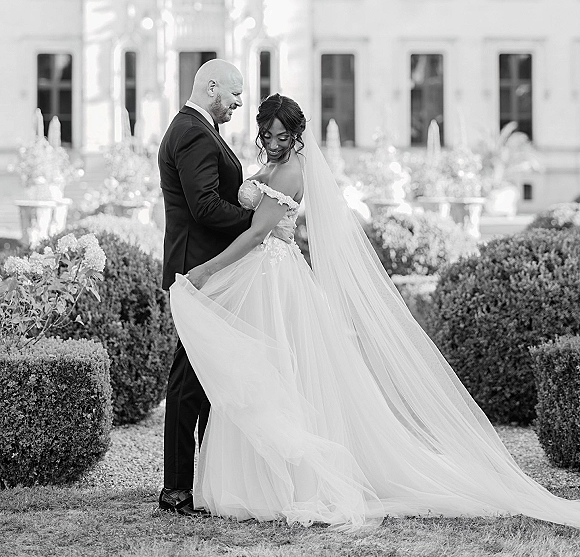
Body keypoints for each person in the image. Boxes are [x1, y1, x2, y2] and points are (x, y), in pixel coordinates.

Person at [169, 94, 580, 532]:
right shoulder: (274, 164)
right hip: (262, 276)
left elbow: (255, 236)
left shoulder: (290, 171)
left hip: (275, 277)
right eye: (266, 135)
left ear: (297, 136)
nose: (272, 143)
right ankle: (252, 477)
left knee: (279, 374)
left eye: (282, 136)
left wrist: (206, 270)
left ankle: (284, 483)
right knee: (259, 371)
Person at [157, 59, 253, 516]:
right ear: (211, 86)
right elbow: (205, 208)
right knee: (189, 382)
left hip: (205, 269)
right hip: (199, 271)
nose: (239, 101)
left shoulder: (196, 126)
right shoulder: (194, 131)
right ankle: (176, 489)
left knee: (202, 375)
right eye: (235, 92)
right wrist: (259, 222)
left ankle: (200, 480)